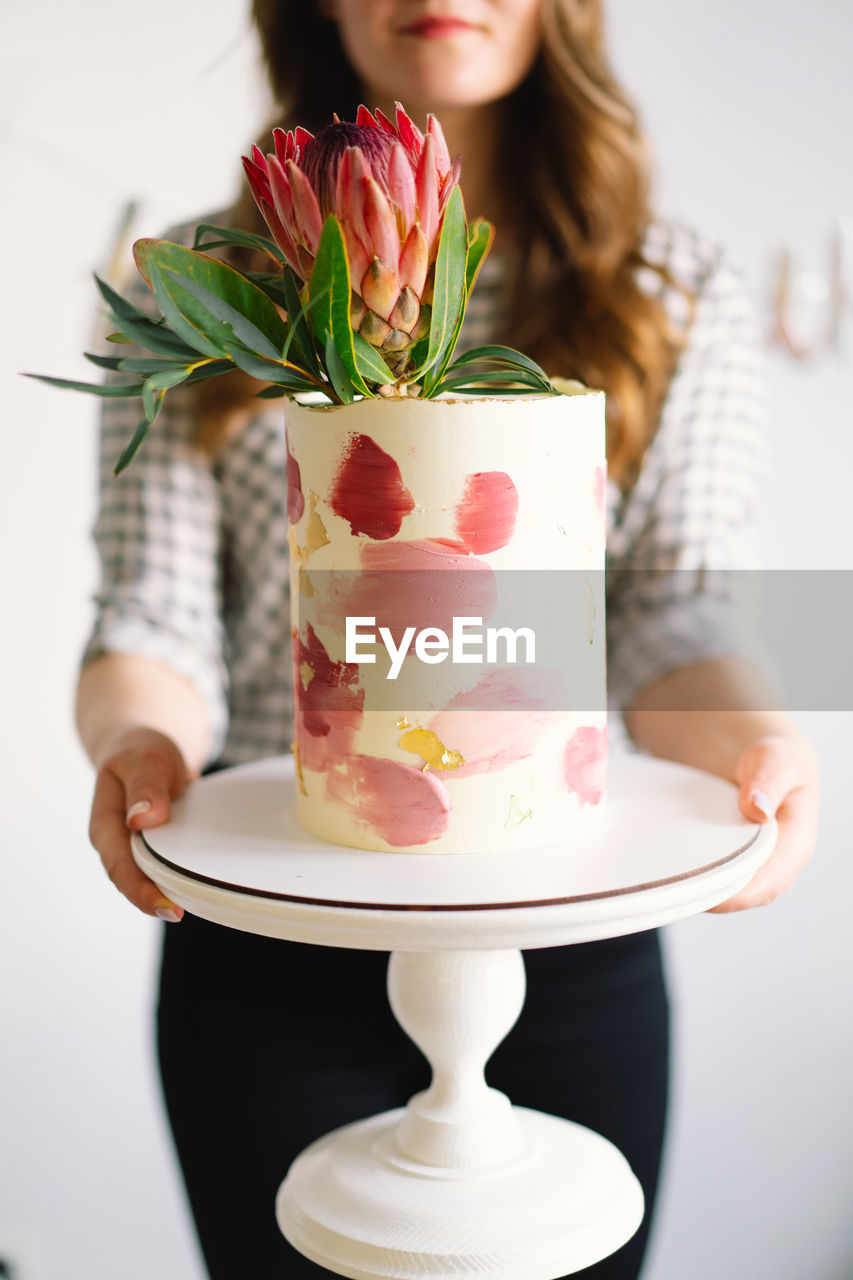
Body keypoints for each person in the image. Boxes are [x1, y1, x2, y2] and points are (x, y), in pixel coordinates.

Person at [75, 2, 820, 1277]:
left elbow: (670, 603)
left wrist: (760, 741)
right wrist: (140, 746)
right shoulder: (189, 284)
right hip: (270, 930)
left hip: (565, 933)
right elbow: (154, 611)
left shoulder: (668, 279)